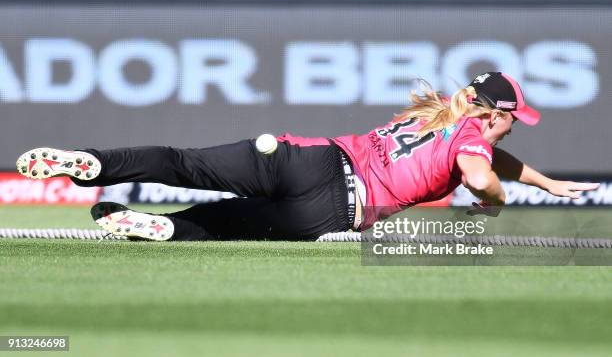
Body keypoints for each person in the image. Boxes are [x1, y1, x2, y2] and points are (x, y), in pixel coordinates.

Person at [16, 72, 599, 241]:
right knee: (223, 227)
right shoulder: (472, 140)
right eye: (510, 120)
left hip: (309, 161)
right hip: (331, 210)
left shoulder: (437, 112)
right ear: (492, 116)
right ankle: (167, 228)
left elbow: (482, 156)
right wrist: (495, 207)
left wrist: (543, 181)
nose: (510, 131)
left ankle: (91, 161)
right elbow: (479, 171)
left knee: (182, 162)